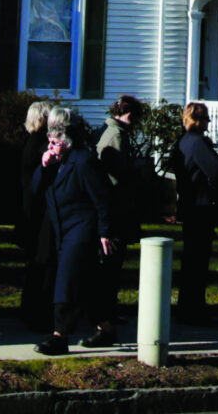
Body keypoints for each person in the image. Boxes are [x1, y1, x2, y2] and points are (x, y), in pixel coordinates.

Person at [33, 110, 116, 355]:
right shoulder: (56, 163)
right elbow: (35, 189)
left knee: (66, 281)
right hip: (62, 228)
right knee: (88, 284)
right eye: (49, 143)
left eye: (55, 143)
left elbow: (102, 198)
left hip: (82, 229)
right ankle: (106, 329)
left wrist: (105, 231)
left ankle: (60, 335)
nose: (51, 147)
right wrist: (44, 165)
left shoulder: (83, 161)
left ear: (67, 143)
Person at [93, 95, 151, 340]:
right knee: (111, 266)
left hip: (116, 209)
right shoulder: (116, 137)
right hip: (116, 209)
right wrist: (136, 170)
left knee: (113, 266)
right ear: (129, 115)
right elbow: (117, 174)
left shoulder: (112, 132)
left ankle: (110, 311)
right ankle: (105, 315)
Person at [175, 104, 218, 326]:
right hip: (201, 206)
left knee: (190, 261)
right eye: (206, 119)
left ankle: (187, 307)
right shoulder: (197, 143)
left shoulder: (182, 142)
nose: (208, 123)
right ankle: (194, 310)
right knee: (198, 261)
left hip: (189, 205)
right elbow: (216, 172)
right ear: (198, 120)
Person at [16, 99, 56, 329]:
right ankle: (37, 312)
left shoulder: (29, 142)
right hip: (39, 210)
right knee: (41, 263)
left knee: (34, 264)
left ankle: (29, 310)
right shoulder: (41, 144)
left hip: (29, 208)